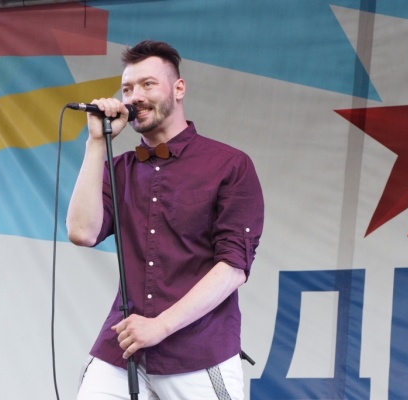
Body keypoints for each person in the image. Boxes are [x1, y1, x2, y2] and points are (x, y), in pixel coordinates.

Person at [66, 40, 264, 399]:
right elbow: (81, 232)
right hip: (123, 349)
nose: (135, 96)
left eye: (148, 84)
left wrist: (160, 326)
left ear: (179, 88)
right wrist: (96, 142)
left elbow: (233, 268)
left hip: (199, 352)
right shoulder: (119, 169)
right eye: (127, 88)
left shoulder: (229, 165)